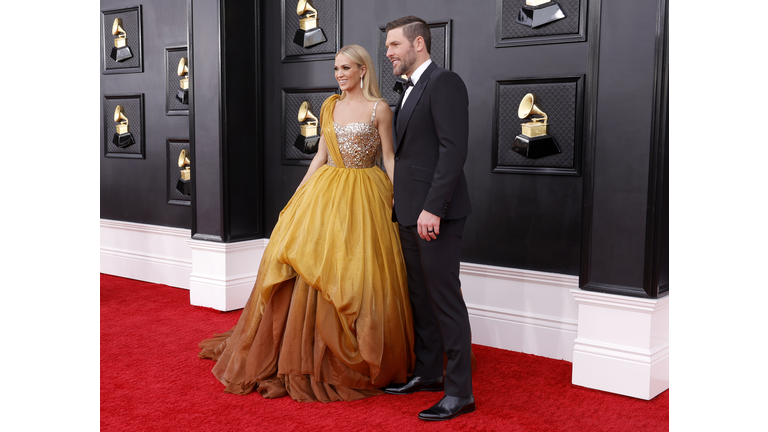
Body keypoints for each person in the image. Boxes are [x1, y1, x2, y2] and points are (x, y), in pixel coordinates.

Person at [198, 44, 415, 403]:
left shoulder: (380, 109)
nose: (339, 74)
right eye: (335, 68)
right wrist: (300, 194)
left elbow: (389, 157)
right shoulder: (330, 106)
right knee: (311, 264)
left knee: (358, 272)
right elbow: (320, 156)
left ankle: (360, 346)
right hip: (327, 190)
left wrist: (397, 193)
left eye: (346, 68)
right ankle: (304, 348)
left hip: (366, 193)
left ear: (363, 70)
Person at [381, 16, 475, 421]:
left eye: (394, 46)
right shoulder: (406, 90)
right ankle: (428, 374)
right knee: (420, 299)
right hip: (407, 212)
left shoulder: (445, 83)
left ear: (418, 44)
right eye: (386, 47)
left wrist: (433, 208)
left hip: (436, 214)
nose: (388, 54)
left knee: (444, 300)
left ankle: (460, 393)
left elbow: (453, 152)